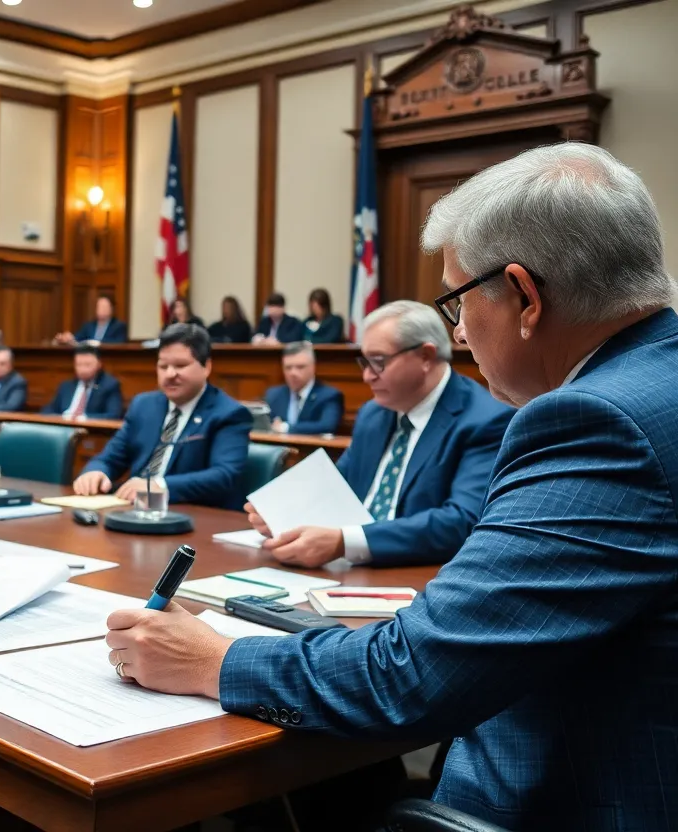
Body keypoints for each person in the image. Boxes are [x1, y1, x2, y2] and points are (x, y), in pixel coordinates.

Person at [104, 143, 678, 830]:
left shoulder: (595, 422)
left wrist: (213, 659)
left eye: (458, 302)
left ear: (525, 296)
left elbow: (414, 674)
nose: (459, 330)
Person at [254, 301, 512, 567]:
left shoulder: (485, 419)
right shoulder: (373, 413)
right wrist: (282, 511)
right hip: (347, 570)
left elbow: (461, 522)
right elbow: (336, 485)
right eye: (364, 362)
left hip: (421, 575)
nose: (366, 376)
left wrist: (344, 541)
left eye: (377, 362)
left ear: (425, 356)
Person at [73, 323, 251, 510]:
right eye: (163, 366)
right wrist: (96, 472)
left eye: (180, 365)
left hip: (192, 516)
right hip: (134, 511)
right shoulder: (144, 405)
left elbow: (224, 475)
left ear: (206, 367)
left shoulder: (228, 413)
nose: (170, 374)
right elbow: (110, 458)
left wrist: (158, 485)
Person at [262, 341, 343, 435]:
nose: (293, 373)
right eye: (288, 368)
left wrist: (286, 427)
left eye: (300, 367)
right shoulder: (273, 394)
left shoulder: (329, 396)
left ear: (313, 367)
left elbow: (327, 426)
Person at [40, 344, 124, 420]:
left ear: (99, 365)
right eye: (78, 365)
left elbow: (113, 415)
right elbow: (48, 410)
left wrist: (84, 418)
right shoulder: (66, 385)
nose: (82, 370)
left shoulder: (110, 385)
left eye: (87, 365)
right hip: (62, 428)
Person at [56, 295, 128, 345]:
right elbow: (78, 339)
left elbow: (119, 342)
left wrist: (95, 342)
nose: (101, 309)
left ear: (111, 309)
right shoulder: (88, 325)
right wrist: (69, 338)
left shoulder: (119, 326)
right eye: (99, 306)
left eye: (104, 307)